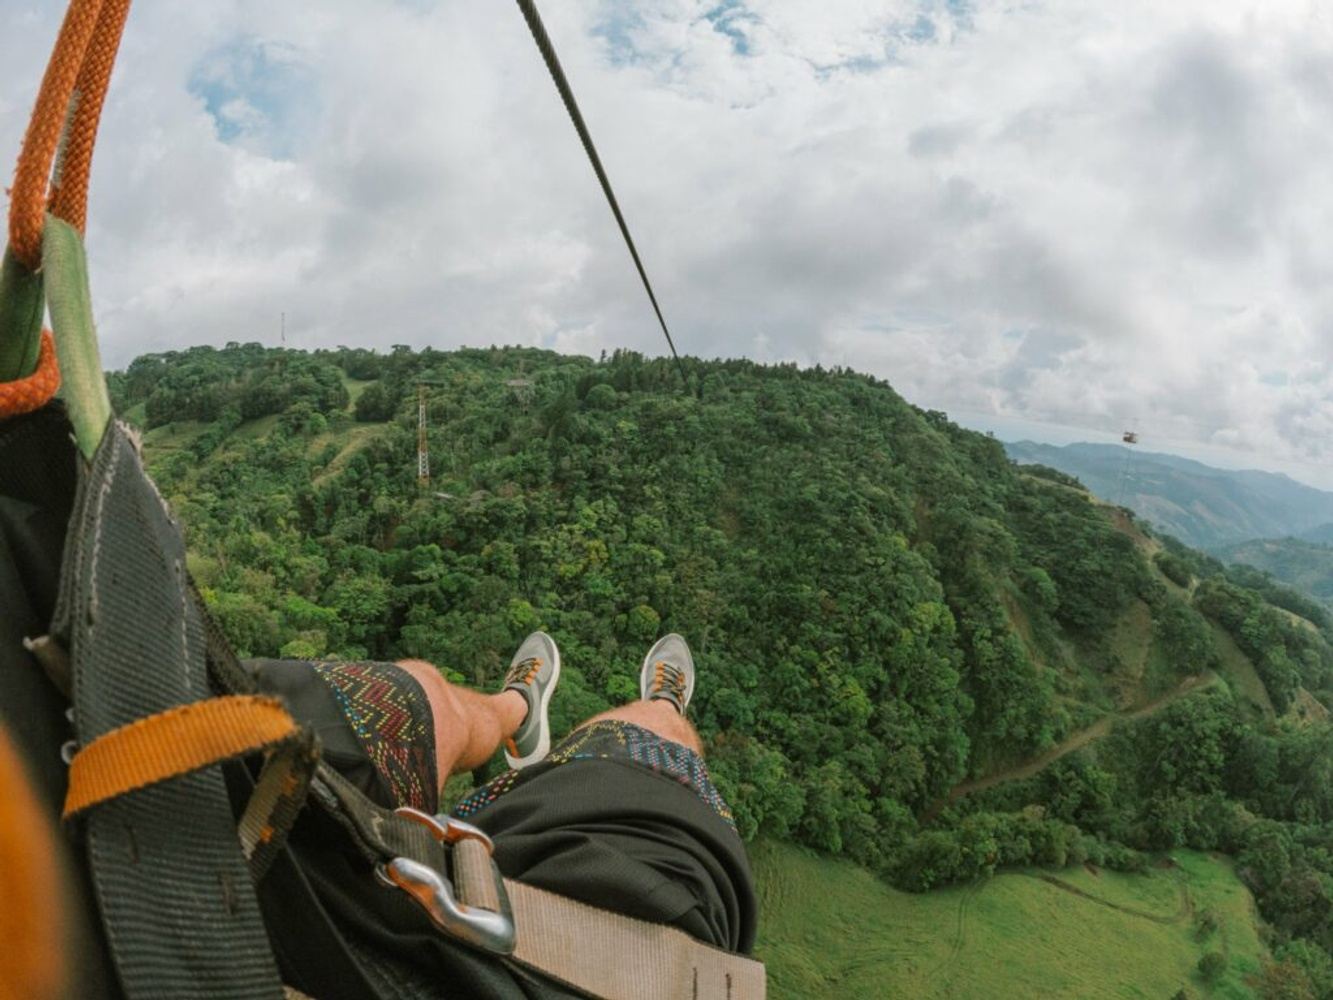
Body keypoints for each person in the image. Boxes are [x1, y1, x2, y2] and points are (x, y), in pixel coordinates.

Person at [245, 632, 757, 995]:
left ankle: (516, 710)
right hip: (609, 950)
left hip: (246, 801)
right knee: (649, 733)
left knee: (424, 698)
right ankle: (663, 708)